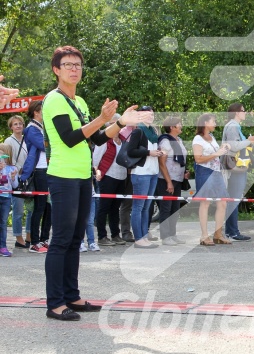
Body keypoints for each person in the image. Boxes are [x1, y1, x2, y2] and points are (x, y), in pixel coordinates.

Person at [43, 45, 142, 321]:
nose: (74, 69)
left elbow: (97, 138)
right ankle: (55, 303)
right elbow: (71, 138)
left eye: (78, 65)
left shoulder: (80, 102)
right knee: (61, 239)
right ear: (56, 70)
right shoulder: (54, 100)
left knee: (75, 239)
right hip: (62, 176)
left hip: (84, 176)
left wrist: (121, 121)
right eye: (68, 65)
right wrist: (103, 117)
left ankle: (71, 296)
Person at [126, 106, 164, 249]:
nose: (150, 116)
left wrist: (158, 152)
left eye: (152, 114)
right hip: (141, 173)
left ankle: (144, 236)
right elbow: (131, 151)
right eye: (146, 114)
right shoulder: (138, 130)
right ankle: (138, 238)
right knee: (138, 207)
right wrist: (149, 153)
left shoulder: (154, 131)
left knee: (146, 207)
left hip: (153, 172)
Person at [192, 113, 231, 246]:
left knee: (222, 203)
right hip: (204, 172)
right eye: (213, 121)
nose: (215, 124)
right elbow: (198, 159)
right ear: (205, 123)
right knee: (205, 203)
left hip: (216, 172)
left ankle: (218, 234)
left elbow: (215, 154)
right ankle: (204, 236)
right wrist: (216, 153)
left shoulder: (212, 137)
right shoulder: (198, 139)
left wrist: (224, 148)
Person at [222, 103, 254, 241]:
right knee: (234, 199)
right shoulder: (232, 126)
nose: (245, 113)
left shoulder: (235, 126)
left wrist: (249, 142)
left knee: (234, 199)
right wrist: (248, 141)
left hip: (239, 166)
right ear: (237, 112)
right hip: (235, 167)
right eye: (243, 110)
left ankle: (231, 230)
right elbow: (234, 145)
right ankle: (232, 231)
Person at [20, 101, 51, 254]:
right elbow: (44, 145)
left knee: (49, 206)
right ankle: (34, 241)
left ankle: (45, 238)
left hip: (50, 169)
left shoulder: (43, 127)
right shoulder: (31, 129)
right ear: (36, 112)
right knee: (39, 206)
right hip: (39, 171)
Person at [92, 114, 126, 249]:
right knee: (103, 207)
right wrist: (97, 172)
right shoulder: (104, 140)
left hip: (121, 177)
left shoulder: (123, 140)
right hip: (107, 176)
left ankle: (115, 234)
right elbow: (96, 158)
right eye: (112, 123)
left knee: (115, 208)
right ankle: (101, 236)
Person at [157, 116, 188, 246]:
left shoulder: (179, 140)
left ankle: (173, 235)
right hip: (166, 180)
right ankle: (165, 237)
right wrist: (168, 181)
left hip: (178, 179)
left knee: (175, 209)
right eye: (178, 124)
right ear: (172, 127)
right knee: (166, 209)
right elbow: (162, 163)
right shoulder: (165, 141)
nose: (181, 125)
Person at [5, 115, 32, 248]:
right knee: (19, 210)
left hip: (29, 177)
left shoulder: (28, 139)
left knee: (31, 209)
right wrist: (17, 170)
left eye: (20, 123)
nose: (18, 126)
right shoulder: (8, 141)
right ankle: (18, 237)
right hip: (16, 178)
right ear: (11, 127)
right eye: (15, 124)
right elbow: (7, 161)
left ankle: (29, 235)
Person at [0, 143, 19, 257]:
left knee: (3, 223)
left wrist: (12, 177)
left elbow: (15, 185)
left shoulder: (12, 168)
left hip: (6, 198)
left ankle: (3, 246)